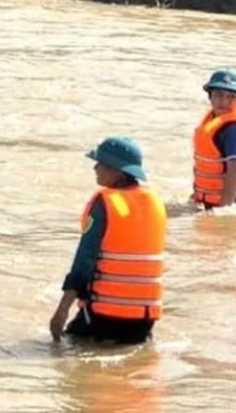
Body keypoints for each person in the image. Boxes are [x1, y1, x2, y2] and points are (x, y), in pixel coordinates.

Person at [50, 136, 167, 345]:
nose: (95, 168)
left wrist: (62, 310)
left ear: (119, 171)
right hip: (144, 320)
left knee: (57, 351)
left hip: (104, 315)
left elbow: (83, 261)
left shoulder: (105, 203)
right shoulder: (154, 202)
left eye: (101, 164)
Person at [191, 68, 236, 209]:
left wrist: (223, 212)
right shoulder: (214, 121)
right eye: (219, 95)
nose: (224, 101)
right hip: (211, 202)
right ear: (210, 96)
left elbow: (235, 171)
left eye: (231, 96)